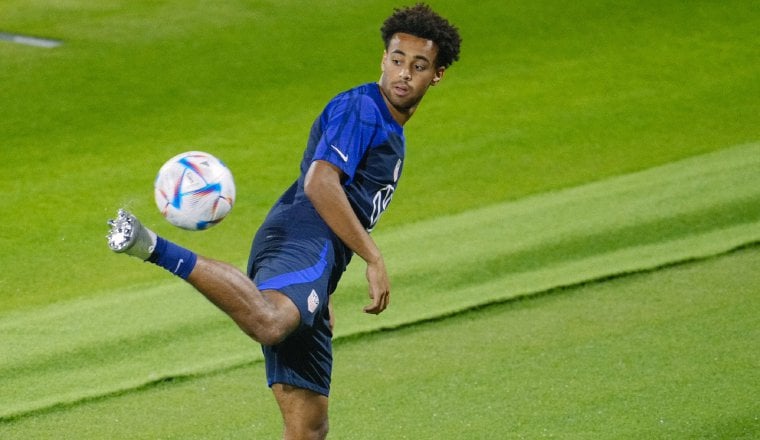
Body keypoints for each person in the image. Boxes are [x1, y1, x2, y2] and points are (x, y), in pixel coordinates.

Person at [106, 4, 461, 439]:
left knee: (308, 429)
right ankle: (149, 245)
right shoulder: (363, 108)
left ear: (437, 74)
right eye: (397, 60)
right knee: (271, 322)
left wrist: (323, 286)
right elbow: (320, 182)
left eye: (419, 65)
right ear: (383, 59)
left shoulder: (391, 126)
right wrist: (373, 258)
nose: (404, 73)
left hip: (316, 259)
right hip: (299, 237)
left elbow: (342, 197)